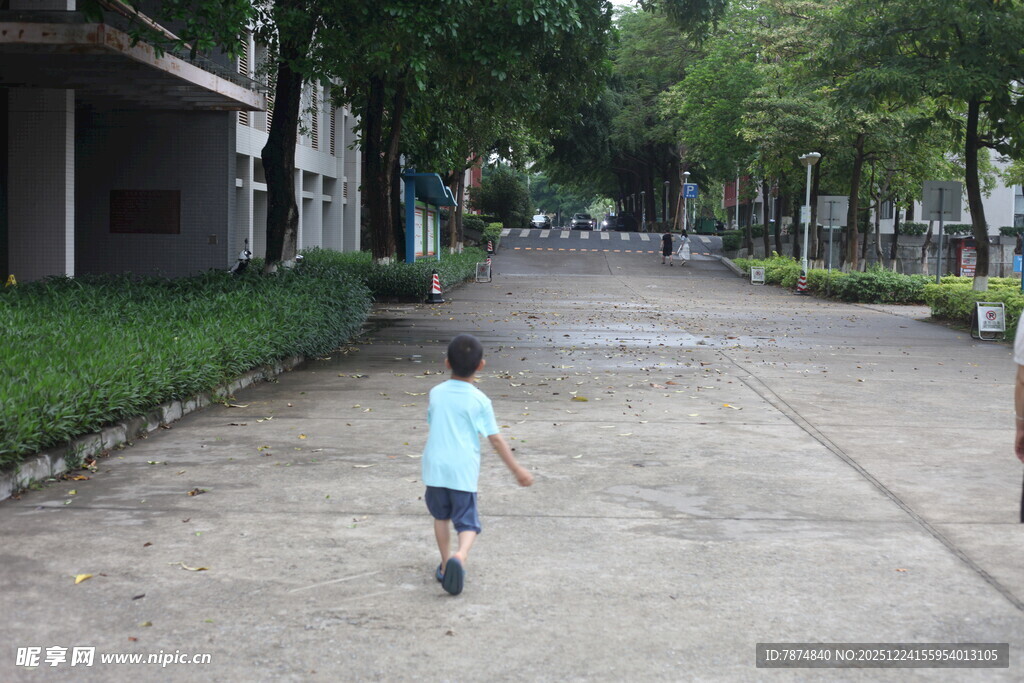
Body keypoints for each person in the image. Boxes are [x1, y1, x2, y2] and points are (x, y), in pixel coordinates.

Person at [422, 334, 534, 595]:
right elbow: (495, 439)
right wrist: (516, 469)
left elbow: (432, 421)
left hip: (435, 467)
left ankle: (443, 562)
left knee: (441, 516)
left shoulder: (435, 393)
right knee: (468, 522)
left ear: (447, 363)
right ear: (481, 365)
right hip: (462, 470)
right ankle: (460, 556)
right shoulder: (480, 400)